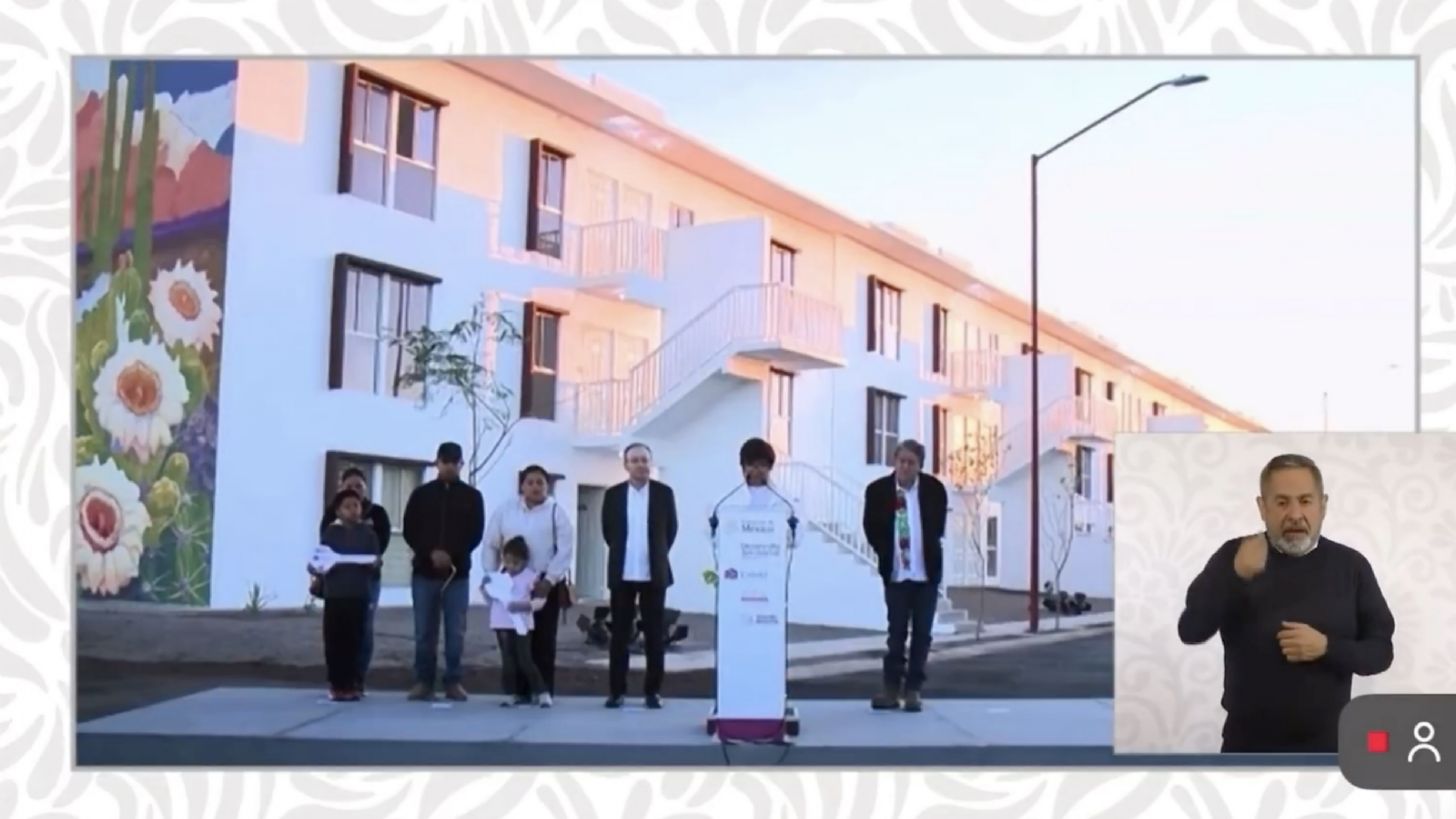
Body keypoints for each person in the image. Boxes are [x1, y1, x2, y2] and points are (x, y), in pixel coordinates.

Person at [1177, 453, 1396, 753]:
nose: (1295, 514)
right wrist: (1235, 576)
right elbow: (1190, 630)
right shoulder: (1234, 556)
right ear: (1262, 507)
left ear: (1323, 505)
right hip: (1247, 747)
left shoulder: (1351, 566)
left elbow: (1381, 653)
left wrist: (1327, 648)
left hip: (1329, 747)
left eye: (1305, 501)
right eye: (1282, 502)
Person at [861, 440, 948, 713]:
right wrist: (886, 551)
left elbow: (938, 528)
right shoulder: (878, 491)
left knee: (922, 635)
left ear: (920, 465)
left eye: (911, 462)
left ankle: (913, 690)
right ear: (895, 462)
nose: (906, 467)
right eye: (902, 461)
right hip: (897, 575)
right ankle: (890, 689)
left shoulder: (934, 490)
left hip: (925, 575)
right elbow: (871, 527)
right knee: (896, 633)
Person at [401, 442, 486, 702]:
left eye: (454, 462)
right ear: (437, 463)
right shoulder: (421, 495)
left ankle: (453, 681)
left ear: (461, 464)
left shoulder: (472, 497)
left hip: (456, 575)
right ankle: (424, 681)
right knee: (424, 632)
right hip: (424, 573)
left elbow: (475, 533)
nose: (449, 466)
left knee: (455, 632)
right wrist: (430, 552)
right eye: (445, 461)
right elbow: (410, 529)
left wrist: (452, 554)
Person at [483, 464, 575, 703]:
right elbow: (491, 543)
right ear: (522, 486)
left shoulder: (556, 513)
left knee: (543, 639)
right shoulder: (506, 510)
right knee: (514, 640)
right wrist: (492, 576)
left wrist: (550, 580)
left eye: (540, 482)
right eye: (530, 482)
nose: (535, 487)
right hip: (511, 584)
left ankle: (542, 691)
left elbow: (565, 550)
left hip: (543, 584)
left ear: (547, 486)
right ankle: (518, 692)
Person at [602, 442, 679, 709]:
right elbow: (608, 531)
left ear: (650, 463)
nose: (640, 465)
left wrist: (656, 555)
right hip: (622, 575)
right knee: (620, 636)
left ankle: (652, 692)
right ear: (626, 465)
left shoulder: (664, 493)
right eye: (634, 460)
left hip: (653, 574)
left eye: (644, 460)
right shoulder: (613, 495)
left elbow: (671, 530)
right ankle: (617, 692)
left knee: (655, 636)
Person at [318, 467, 391, 696]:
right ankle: (336, 684)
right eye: (347, 506)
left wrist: (373, 563)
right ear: (338, 510)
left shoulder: (371, 529)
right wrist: (316, 570)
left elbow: (378, 551)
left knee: (358, 636)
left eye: (356, 504)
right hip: (335, 592)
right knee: (334, 638)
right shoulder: (331, 531)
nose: (352, 509)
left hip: (361, 591)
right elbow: (321, 555)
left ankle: (355, 681)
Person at [480, 536, 552, 708]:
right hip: (501, 622)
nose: (511, 567)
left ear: (524, 562)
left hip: (521, 623)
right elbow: (491, 601)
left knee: (525, 659)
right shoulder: (499, 578)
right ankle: (510, 693)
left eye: (515, 563)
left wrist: (523, 606)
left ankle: (542, 692)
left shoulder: (530, 577)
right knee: (508, 660)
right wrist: (485, 589)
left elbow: (540, 601)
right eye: (507, 562)